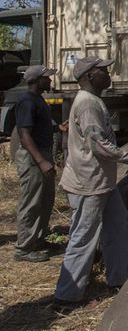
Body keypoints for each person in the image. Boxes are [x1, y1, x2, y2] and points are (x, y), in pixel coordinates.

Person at [54, 57, 128, 312]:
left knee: (119, 223)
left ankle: (117, 279)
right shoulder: (87, 104)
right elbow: (100, 146)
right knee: (84, 236)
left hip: (102, 182)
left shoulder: (93, 101)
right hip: (89, 183)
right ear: (89, 76)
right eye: (103, 70)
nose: (108, 73)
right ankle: (67, 296)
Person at [13, 65, 63, 262]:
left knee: (44, 200)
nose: (50, 81)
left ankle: (38, 240)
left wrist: (58, 127)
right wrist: (42, 161)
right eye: (46, 78)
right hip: (33, 158)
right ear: (35, 80)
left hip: (41, 156)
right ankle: (24, 248)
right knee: (31, 202)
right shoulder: (26, 101)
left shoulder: (37, 99)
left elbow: (39, 127)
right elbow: (24, 135)